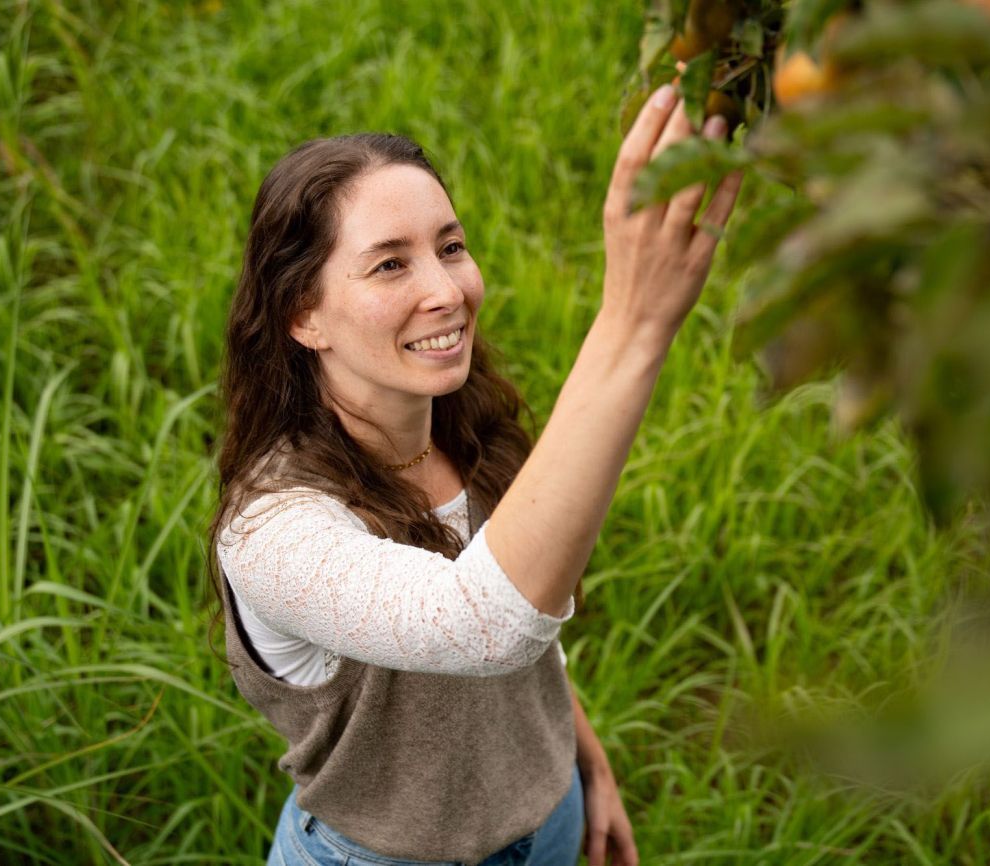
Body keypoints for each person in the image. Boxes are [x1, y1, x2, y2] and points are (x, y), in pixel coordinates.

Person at [207, 83, 742, 866]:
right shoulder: (271, 531)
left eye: (450, 247)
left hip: (552, 822)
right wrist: (633, 321)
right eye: (390, 264)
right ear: (303, 315)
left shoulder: (465, 431)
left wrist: (585, 763)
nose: (448, 290)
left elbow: (533, 626)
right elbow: (482, 623)